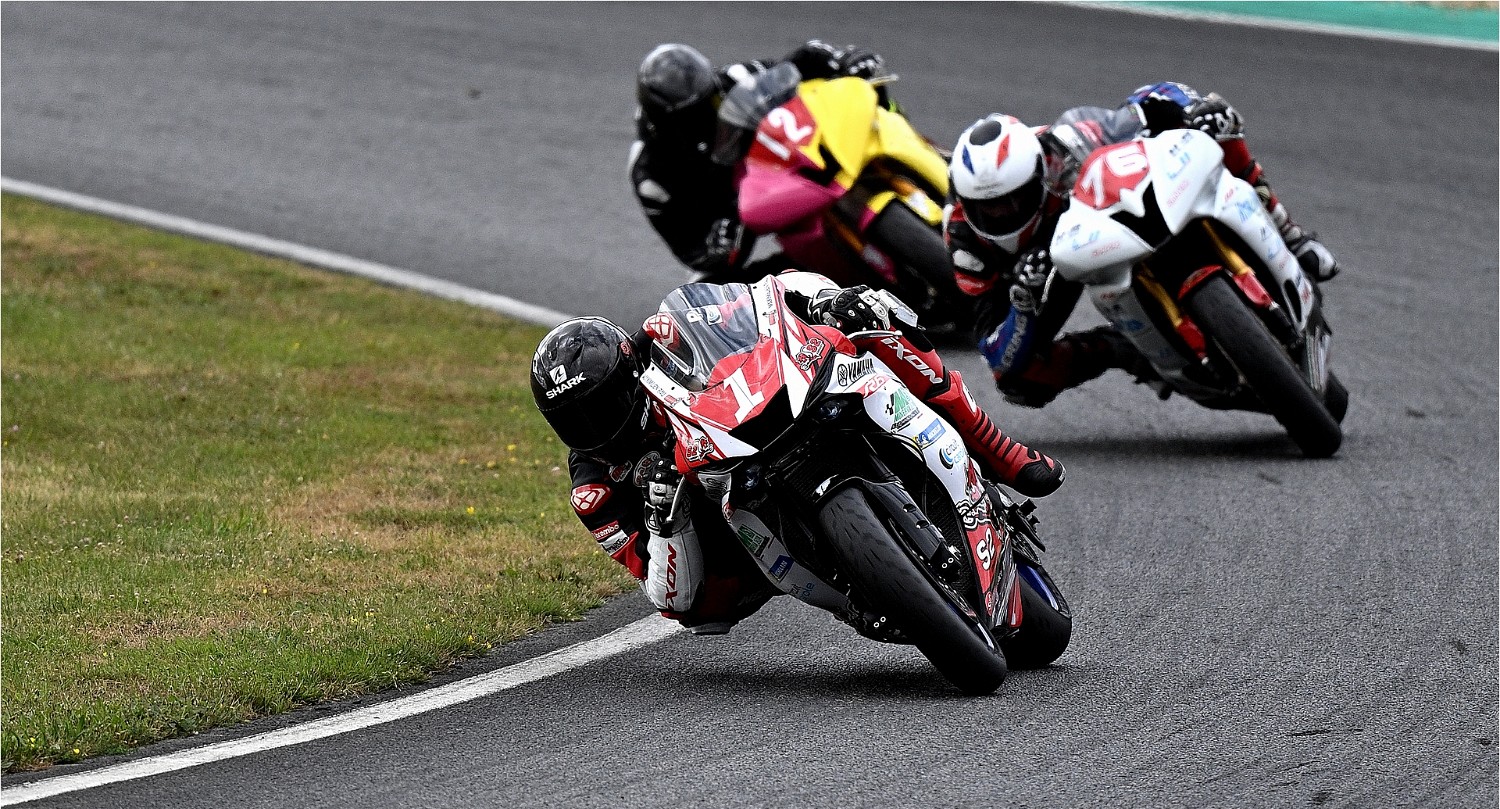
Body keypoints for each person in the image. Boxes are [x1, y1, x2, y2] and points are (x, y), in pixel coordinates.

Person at [530, 271, 1063, 636]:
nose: (595, 429)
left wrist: (823, 301)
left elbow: (762, 297)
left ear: (629, 374)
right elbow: (669, 597)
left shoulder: (660, 341)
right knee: (698, 611)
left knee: (869, 319)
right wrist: (664, 519)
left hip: (755, 421)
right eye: (574, 422)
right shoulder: (593, 489)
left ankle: (998, 449)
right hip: (727, 542)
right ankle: (853, 591)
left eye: (603, 407)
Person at [944, 81, 1340, 408]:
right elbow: (995, 351)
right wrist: (1023, 306)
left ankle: (1291, 235)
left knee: (1217, 127)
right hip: (1042, 279)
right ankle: (1128, 350)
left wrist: (1192, 109)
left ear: (1038, 174)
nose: (1003, 213)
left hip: (1095, 224)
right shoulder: (965, 241)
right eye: (989, 208)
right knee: (1018, 381)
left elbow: (1148, 99)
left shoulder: (1063, 147)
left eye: (1014, 200)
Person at [630, 40, 891, 279]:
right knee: (702, 288)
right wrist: (716, 244)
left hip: (799, 158)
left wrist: (840, 59)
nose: (712, 112)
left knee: (866, 96)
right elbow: (689, 251)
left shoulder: (732, 80)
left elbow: (795, 66)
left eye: (712, 100)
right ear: (666, 123)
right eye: (695, 115)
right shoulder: (651, 175)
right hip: (752, 208)